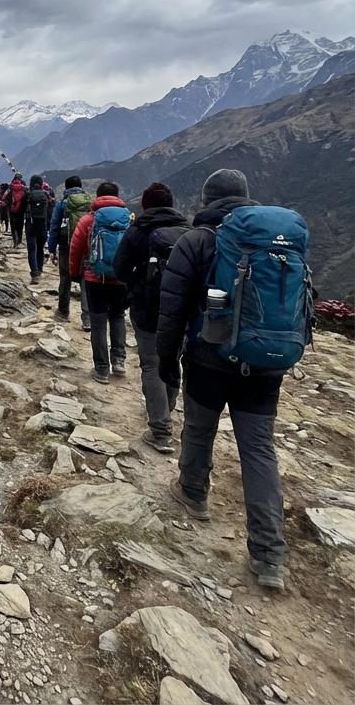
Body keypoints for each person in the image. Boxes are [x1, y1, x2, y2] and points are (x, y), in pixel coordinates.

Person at [156, 169, 290, 590]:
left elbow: (172, 310)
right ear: (247, 196)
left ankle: (193, 493)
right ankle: (269, 553)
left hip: (209, 358)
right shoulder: (277, 242)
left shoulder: (195, 242)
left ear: (207, 199)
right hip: (266, 363)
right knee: (258, 450)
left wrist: (167, 361)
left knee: (199, 428)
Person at [113, 182, 189, 452]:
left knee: (150, 364)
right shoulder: (188, 231)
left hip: (147, 308)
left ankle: (161, 430)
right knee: (173, 359)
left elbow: (119, 266)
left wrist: (137, 285)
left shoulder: (138, 230)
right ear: (172, 203)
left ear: (144, 205)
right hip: (182, 310)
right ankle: (167, 409)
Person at [69, 181, 130, 383]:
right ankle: (119, 360)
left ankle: (102, 369)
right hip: (121, 279)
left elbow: (76, 248)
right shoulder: (128, 219)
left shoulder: (89, 220)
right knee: (118, 317)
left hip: (94, 278)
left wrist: (74, 274)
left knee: (98, 324)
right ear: (117, 196)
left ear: (97, 197)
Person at [48, 176, 93, 331]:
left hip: (67, 245)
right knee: (84, 280)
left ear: (66, 188)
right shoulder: (90, 202)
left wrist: (52, 249)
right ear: (81, 187)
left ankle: (63, 312)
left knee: (65, 278)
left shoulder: (62, 204)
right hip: (87, 247)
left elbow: (54, 227)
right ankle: (87, 319)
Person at [23, 175, 51, 283]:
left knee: (31, 249)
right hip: (42, 223)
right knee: (40, 247)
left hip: (30, 223)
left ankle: (34, 274)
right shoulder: (46, 194)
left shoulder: (28, 194)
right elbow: (49, 210)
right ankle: (39, 269)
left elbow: (21, 209)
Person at [9, 173, 27, 248]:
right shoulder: (23, 187)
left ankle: (14, 240)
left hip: (12, 208)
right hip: (21, 209)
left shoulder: (11, 186)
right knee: (20, 223)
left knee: (13, 224)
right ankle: (19, 239)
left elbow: (6, 196)